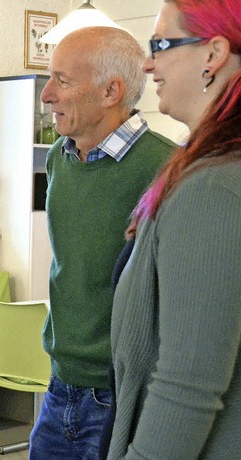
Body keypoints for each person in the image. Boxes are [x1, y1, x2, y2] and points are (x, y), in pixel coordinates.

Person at [30, 26, 174, 459]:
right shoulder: (59, 157)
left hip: (125, 392)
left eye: (63, 80)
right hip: (59, 384)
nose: (47, 95)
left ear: (111, 91)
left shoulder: (169, 168)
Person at [107, 1, 241, 458]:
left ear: (214, 54)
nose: (148, 63)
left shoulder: (213, 187)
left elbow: (187, 389)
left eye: (161, 45)